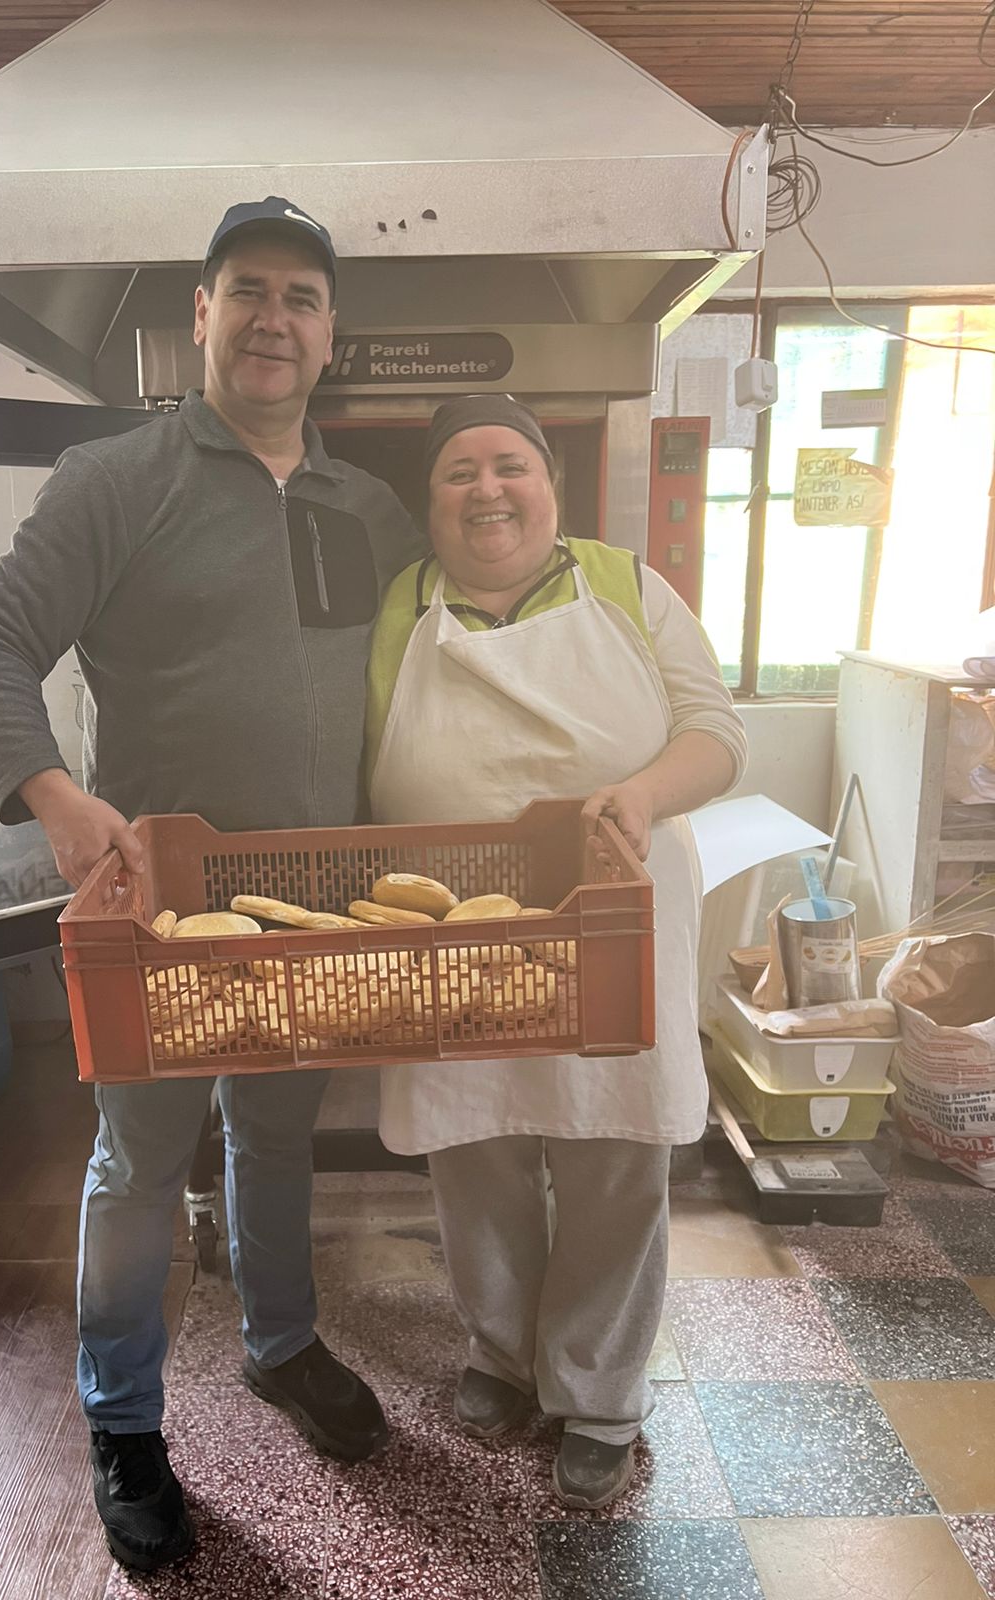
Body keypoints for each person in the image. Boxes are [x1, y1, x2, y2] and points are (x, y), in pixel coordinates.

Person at [0, 198, 421, 1573]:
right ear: (200, 317)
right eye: (247, 291)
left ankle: (279, 1345)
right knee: (138, 1160)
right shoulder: (117, 479)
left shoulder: (369, 510)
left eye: (303, 298)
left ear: (332, 339)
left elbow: (413, 692)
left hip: (316, 903)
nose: (275, 318)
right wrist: (57, 800)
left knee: (278, 1137)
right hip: (155, 908)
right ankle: (125, 1421)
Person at [364, 394, 747, 1510]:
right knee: (471, 1143)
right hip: (449, 927)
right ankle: (502, 1352)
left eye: (510, 465)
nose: (488, 489)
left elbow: (716, 733)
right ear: (429, 502)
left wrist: (632, 795)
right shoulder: (402, 604)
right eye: (459, 472)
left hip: (613, 909)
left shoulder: (627, 585)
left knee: (615, 1149)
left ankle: (599, 1390)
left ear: (551, 485)